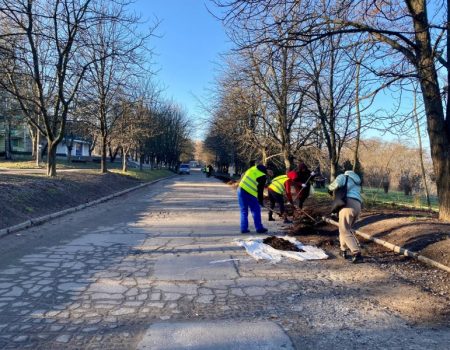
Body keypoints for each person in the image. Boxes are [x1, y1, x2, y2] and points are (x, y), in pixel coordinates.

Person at [328, 168, 363, 263]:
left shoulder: (343, 177)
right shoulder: (357, 183)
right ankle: (343, 250)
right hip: (357, 206)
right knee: (344, 229)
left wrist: (329, 189)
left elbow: (333, 186)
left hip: (347, 204)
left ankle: (356, 253)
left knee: (344, 230)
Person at [237, 164, 269, 234]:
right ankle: (259, 228)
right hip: (250, 193)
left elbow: (242, 175)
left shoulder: (253, 168)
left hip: (240, 189)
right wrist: (260, 201)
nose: (271, 174)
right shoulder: (263, 176)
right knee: (256, 210)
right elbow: (260, 190)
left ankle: (243, 228)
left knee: (243, 210)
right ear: (267, 170)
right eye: (271, 172)